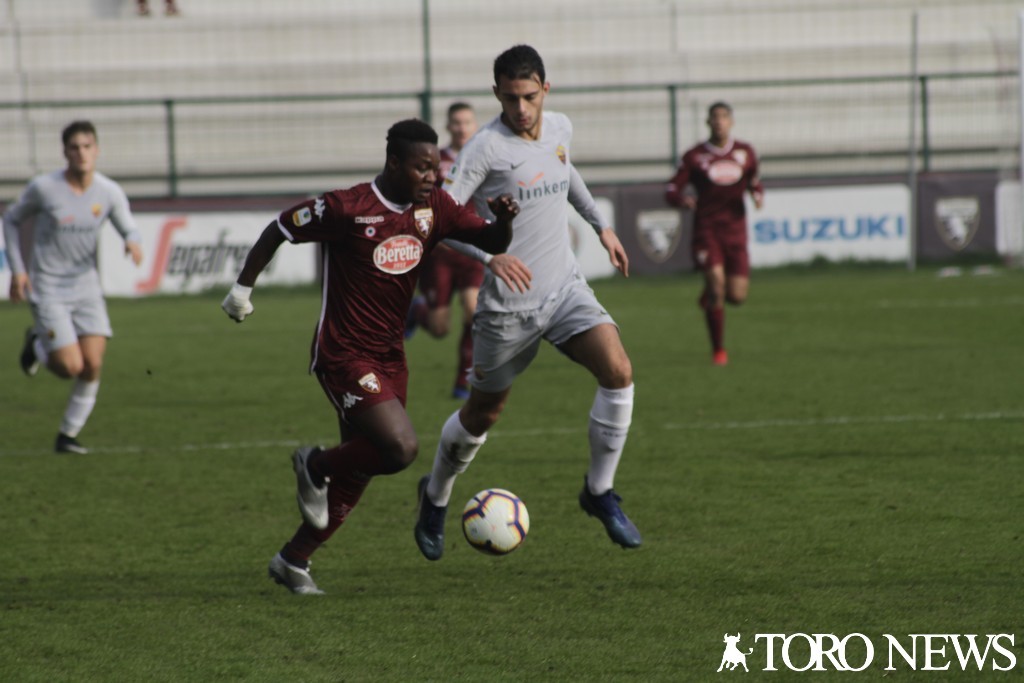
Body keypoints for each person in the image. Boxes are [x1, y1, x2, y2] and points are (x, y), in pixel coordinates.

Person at [221, 119, 521, 595]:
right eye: (423, 168)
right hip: (342, 352)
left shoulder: (434, 208)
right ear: (394, 162)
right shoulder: (346, 207)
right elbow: (279, 227)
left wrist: (503, 219)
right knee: (400, 448)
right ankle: (313, 465)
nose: (433, 177)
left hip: (390, 356)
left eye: (435, 167)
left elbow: (491, 242)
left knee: (360, 467)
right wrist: (242, 289)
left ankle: (292, 560)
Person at [413, 44, 642, 562]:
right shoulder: (484, 150)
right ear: (496, 93)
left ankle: (599, 493)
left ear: (546, 88)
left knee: (618, 370)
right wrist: (490, 257)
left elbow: (567, 172)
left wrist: (600, 225)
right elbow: (438, 221)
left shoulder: (559, 127)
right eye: (512, 98)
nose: (522, 108)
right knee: (484, 412)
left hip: (564, 288)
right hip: (508, 308)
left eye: (530, 96)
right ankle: (434, 496)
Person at [4, 120, 144, 454]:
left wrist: (132, 241)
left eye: (87, 146)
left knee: (93, 364)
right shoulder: (44, 188)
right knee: (70, 367)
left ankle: (67, 435)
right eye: (74, 147)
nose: (81, 153)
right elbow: (11, 219)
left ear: (96, 150)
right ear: (64, 152)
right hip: (48, 287)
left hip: (86, 289)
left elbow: (128, 224)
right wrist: (18, 270)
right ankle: (37, 342)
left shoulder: (108, 191)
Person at [665, 101, 764, 366]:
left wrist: (757, 193)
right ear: (707, 123)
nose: (719, 121)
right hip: (707, 229)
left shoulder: (745, 152)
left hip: (736, 230)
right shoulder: (695, 156)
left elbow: (754, 181)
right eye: (715, 117)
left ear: (731, 121)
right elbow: (672, 188)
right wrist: (681, 200)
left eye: (724, 117)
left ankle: (709, 293)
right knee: (718, 289)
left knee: (737, 297)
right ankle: (718, 350)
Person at [405, 102, 486, 400]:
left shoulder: (485, 156)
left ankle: (464, 381)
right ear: (448, 126)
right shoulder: (436, 162)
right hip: (441, 253)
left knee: (473, 312)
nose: (462, 127)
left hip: (473, 250)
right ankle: (418, 310)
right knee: (440, 328)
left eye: (467, 122)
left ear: (475, 125)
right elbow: (421, 199)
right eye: (456, 122)